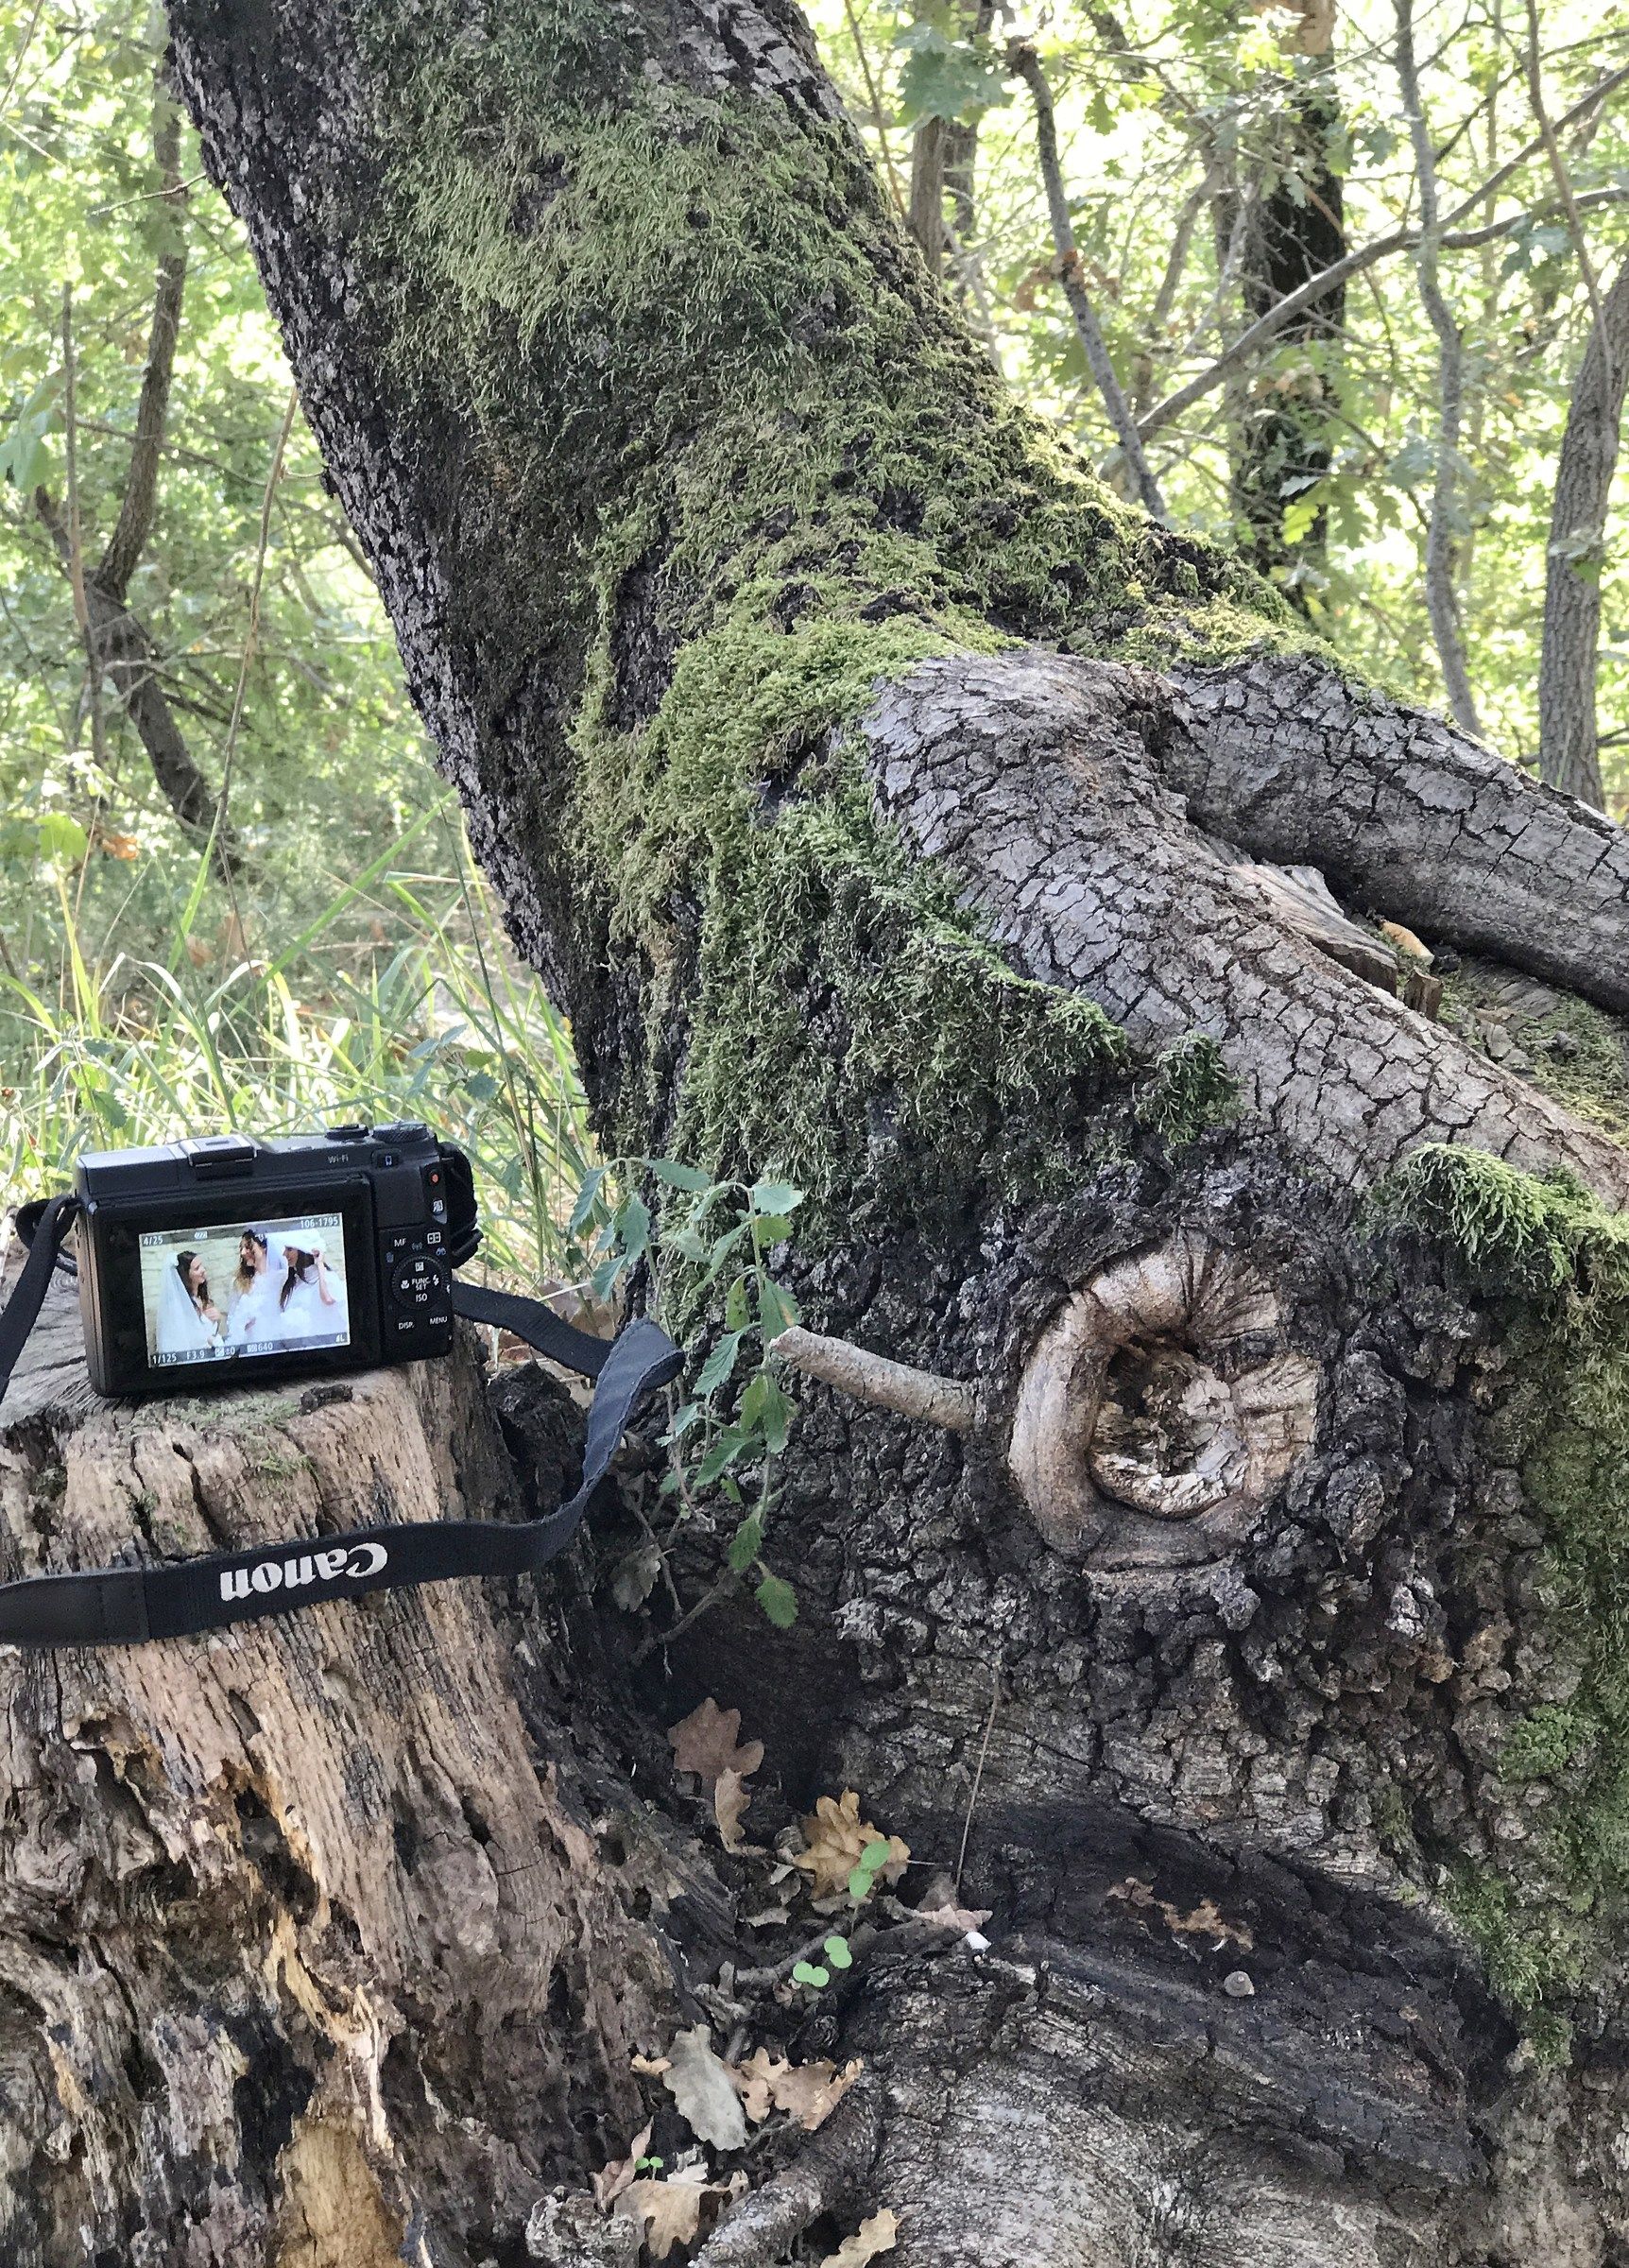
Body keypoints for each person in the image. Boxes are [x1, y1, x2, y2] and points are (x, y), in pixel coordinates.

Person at [153, 1249, 226, 1360]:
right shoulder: (179, 1308)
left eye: (201, 1266)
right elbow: (186, 1341)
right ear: (186, 1275)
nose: (203, 1270)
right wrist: (211, 1340)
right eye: (197, 1268)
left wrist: (218, 1319)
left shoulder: (201, 1299)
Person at [275, 1233, 344, 1344]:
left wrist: (320, 1264)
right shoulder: (292, 1282)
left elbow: (328, 1299)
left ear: (303, 1251)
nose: (284, 1254)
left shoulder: (327, 1278)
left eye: (289, 1249)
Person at [225, 1230, 278, 1352]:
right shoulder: (238, 1282)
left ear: (263, 1247)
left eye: (248, 1247)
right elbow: (232, 1319)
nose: (243, 1253)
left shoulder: (280, 1278)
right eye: (241, 1248)